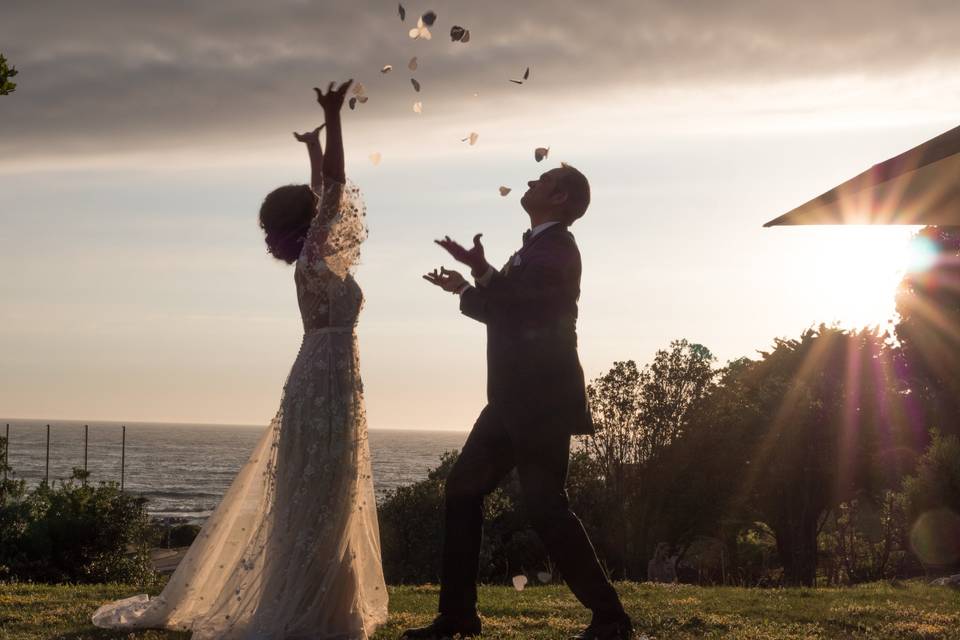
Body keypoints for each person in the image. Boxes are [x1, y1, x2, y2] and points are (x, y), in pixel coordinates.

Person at [91, 80, 388, 639]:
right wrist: (333, 117)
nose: (336, 211)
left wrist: (311, 145)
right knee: (321, 486)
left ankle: (323, 596)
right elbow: (336, 188)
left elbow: (324, 188)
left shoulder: (319, 259)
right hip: (325, 379)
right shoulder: (319, 258)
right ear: (313, 221)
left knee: (326, 488)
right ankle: (307, 599)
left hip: (328, 375)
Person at [409, 165, 633, 640]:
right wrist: (478, 274)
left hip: (540, 399)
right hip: (512, 399)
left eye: (542, 179)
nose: (530, 182)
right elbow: (514, 302)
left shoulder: (557, 250)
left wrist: (472, 286)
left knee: (546, 508)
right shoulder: (537, 247)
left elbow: (519, 310)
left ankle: (611, 618)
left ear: (559, 196)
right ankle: (458, 617)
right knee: (464, 490)